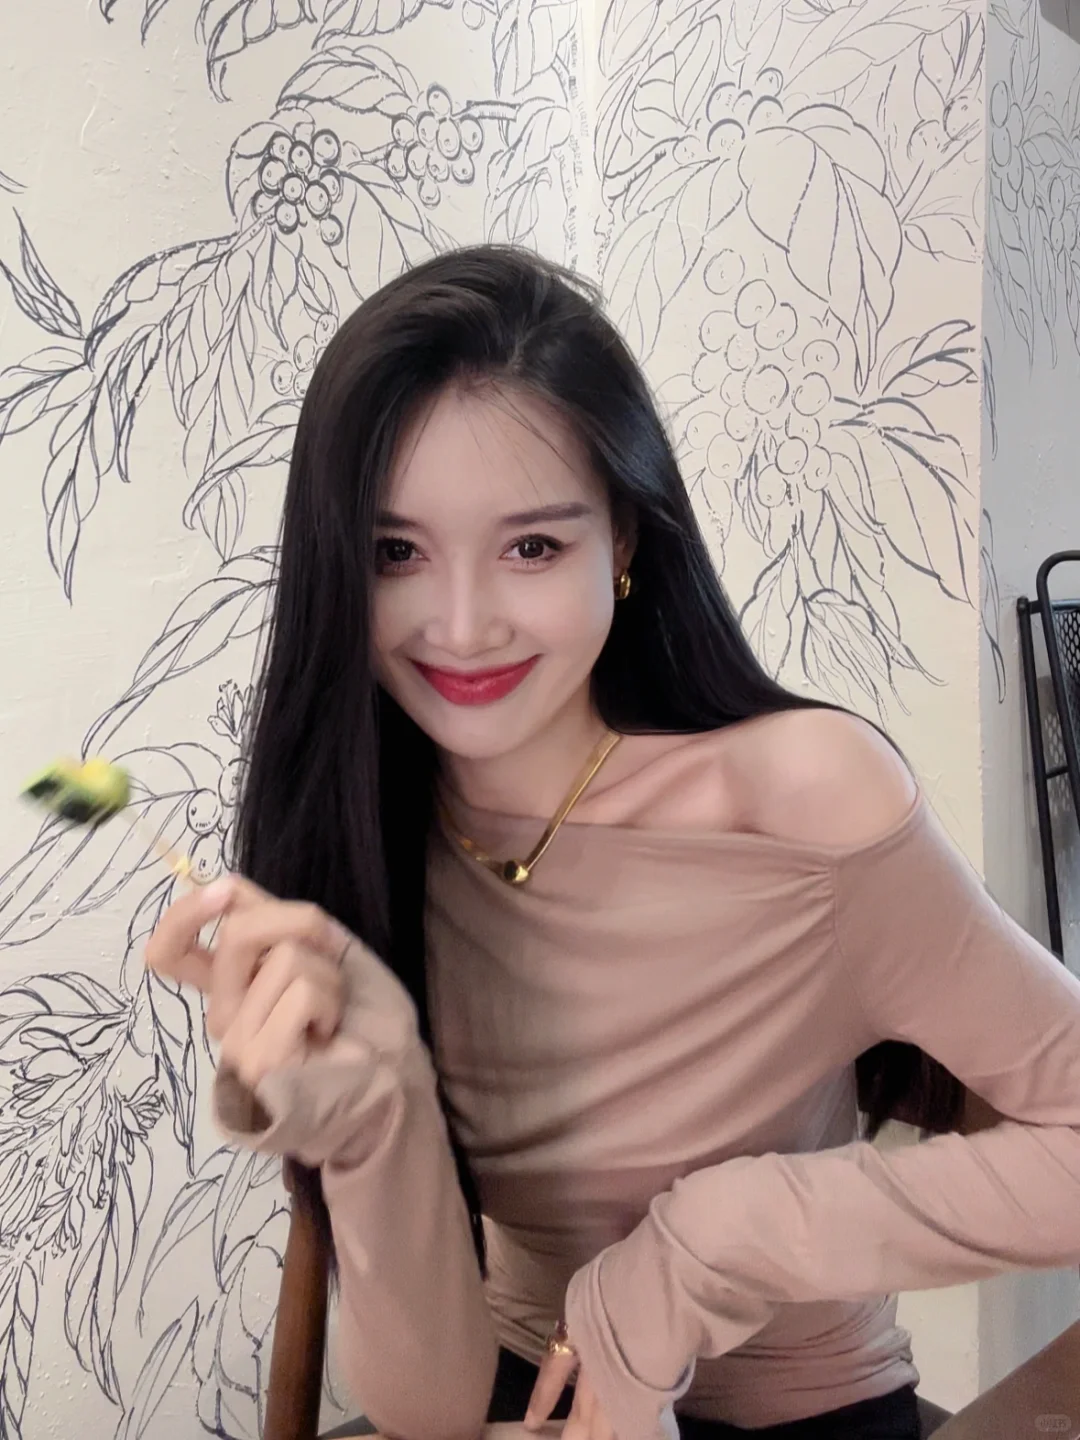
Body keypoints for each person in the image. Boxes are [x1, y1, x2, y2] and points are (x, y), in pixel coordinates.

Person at [145, 244, 1080, 1440]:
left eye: (532, 547)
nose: (462, 627)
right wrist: (377, 1116)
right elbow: (429, 1409)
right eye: (396, 553)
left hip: (801, 1417)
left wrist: (705, 1248)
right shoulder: (358, 835)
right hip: (522, 1402)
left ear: (624, 542)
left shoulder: (801, 802)